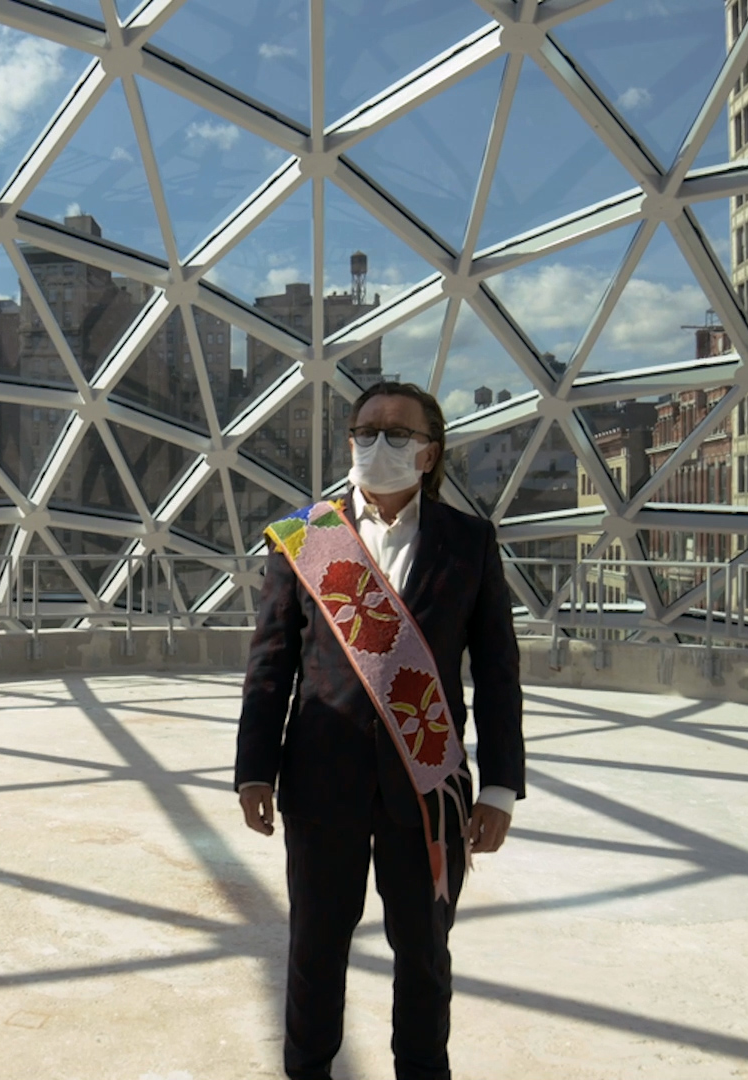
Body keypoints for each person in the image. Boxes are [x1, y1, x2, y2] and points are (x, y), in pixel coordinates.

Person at [234, 380, 525, 1080]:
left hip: (428, 788)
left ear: (429, 453)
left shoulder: (470, 541)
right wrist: (254, 769)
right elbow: (270, 662)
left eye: (397, 433)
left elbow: (497, 670)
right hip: (319, 785)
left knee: (425, 957)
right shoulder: (306, 538)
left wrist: (502, 788)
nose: (378, 444)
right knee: (313, 955)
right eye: (366, 431)